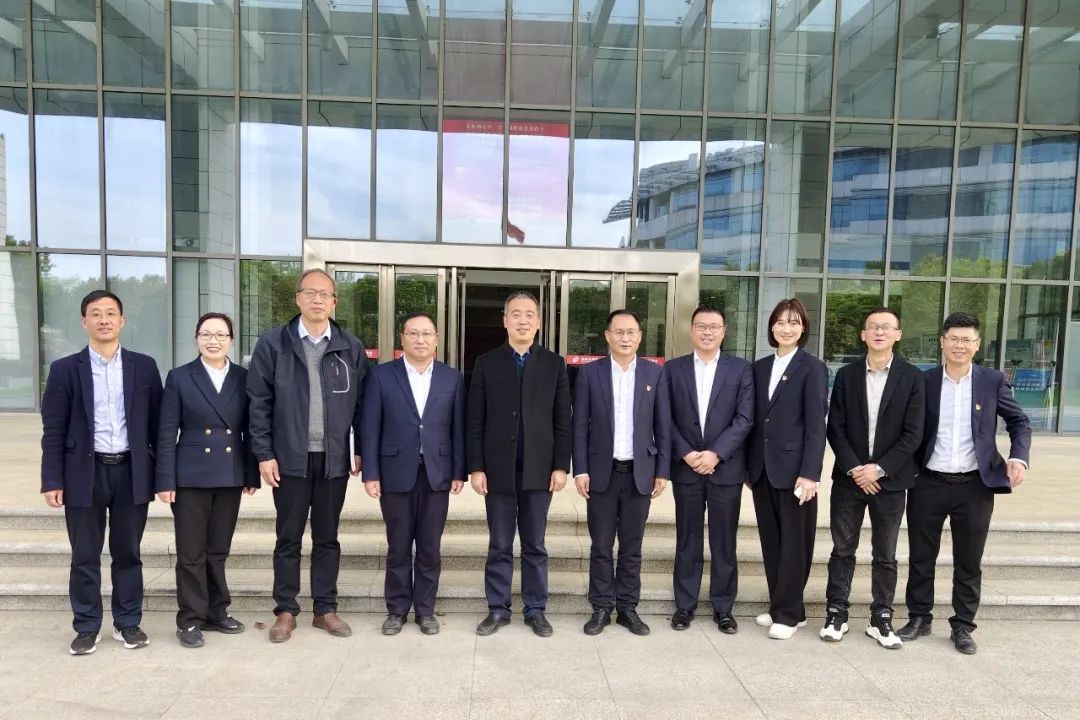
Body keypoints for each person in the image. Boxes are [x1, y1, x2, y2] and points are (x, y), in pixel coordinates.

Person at [899, 312, 1031, 655]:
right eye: (953, 339)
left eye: (966, 340)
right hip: (928, 482)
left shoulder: (991, 381)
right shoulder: (924, 381)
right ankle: (919, 618)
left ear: (977, 344)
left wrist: (1018, 457)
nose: (959, 345)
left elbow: (1019, 422)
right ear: (942, 342)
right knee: (921, 557)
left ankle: (962, 626)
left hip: (975, 486)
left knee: (969, 561)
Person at [246, 268, 367, 643]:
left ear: (334, 302)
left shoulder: (350, 347)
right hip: (289, 459)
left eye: (324, 294)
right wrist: (264, 453)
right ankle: (286, 610)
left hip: (333, 460)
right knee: (289, 537)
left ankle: (325, 609)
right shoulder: (274, 344)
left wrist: (359, 450)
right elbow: (258, 403)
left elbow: (363, 406)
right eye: (310, 292)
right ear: (297, 298)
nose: (317, 299)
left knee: (328, 537)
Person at [40, 290, 163, 655]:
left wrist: (161, 476)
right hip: (83, 474)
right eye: (96, 314)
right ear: (84, 322)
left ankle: (128, 623)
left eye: (111, 313)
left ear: (122, 320)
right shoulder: (64, 369)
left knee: (128, 553)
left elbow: (158, 427)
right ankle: (87, 626)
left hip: (130, 472)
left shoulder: (144, 367)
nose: (104, 320)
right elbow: (53, 430)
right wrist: (52, 479)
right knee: (84, 555)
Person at [468, 291, 571, 638]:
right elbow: (475, 419)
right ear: (505, 321)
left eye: (529, 314)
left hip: (539, 470)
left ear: (538, 322)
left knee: (535, 544)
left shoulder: (554, 364)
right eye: (516, 314)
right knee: (499, 543)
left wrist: (561, 465)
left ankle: (535, 609)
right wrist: (476, 466)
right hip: (497, 469)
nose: (523, 320)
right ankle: (498, 609)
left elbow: (563, 420)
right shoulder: (486, 363)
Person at [822, 307, 925, 649]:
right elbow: (835, 427)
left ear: (898, 334)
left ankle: (881, 617)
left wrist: (879, 469)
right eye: (873, 327)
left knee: (886, 553)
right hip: (849, 479)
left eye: (887, 327)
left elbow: (914, 433)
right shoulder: (846, 375)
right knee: (842, 549)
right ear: (863, 334)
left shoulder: (913, 378)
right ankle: (836, 613)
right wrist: (856, 468)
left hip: (890, 481)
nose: (880, 332)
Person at [156, 312, 260, 648]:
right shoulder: (180, 377)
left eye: (220, 335)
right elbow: (166, 432)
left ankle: (217, 611)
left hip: (229, 474)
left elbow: (251, 429)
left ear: (231, 340)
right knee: (191, 553)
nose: (213, 341)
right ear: (196, 338)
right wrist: (164, 479)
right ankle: (190, 619)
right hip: (189, 476)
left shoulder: (244, 377)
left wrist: (251, 473)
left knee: (217, 550)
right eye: (206, 334)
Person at [361, 312, 465, 636]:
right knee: (398, 545)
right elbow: (370, 427)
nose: (420, 340)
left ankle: (425, 610)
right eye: (413, 333)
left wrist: (458, 471)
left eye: (426, 334)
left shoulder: (452, 378)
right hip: (394, 472)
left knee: (430, 547)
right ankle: (396, 609)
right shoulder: (381, 376)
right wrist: (370, 473)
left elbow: (458, 429)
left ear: (436, 340)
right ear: (402, 338)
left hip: (437, 473)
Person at [573, 310, 670, 637]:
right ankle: (601, 607)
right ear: (607, 336)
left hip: (639, 474)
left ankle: (628, 608)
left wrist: (662, 471)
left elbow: (663, 426)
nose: (625, 338)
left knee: (632, 546)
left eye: (631, 332)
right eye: (619, 332)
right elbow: (579, 425)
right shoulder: (590, 373)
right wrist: (580, 469)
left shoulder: (655, 374)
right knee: (601, 546)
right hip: (601, 474)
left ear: (639, 336)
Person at [664, 305, 753, 633]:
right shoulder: (672, 369)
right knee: (687, 540)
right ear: (691, 330)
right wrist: (686, 453)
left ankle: (723, 608)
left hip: (725, 469)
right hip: (686, 469)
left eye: (714, 326)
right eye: (701, 326)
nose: (707, 332)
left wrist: (716, 453)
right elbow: (665, 417)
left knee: (724, 542)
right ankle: (684, 606)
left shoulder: (740, 369)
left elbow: (745, 418)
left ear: (724, 331)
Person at [746, 298, 828, 640]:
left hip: (796, 471)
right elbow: (755, 421)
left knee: (795, 543)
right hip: (763, 469)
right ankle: (784, 605)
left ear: (804, 328)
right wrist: (749, 468)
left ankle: (788, 614)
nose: (786, 328)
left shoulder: (813, 368)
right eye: (780, 322)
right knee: (773, 541)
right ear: (771, 327)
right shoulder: (759, 367)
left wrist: (810, 474)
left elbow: (816, 426)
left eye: (794, 322)